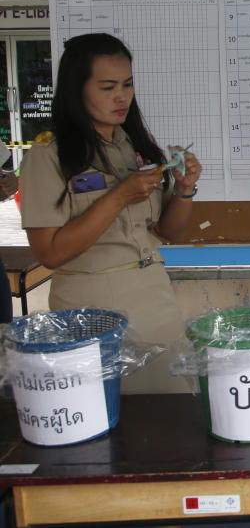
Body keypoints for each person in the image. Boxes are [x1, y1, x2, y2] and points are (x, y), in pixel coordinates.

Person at [19, 33, 203, 394]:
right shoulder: (48, 156)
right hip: (93, 307)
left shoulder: (130, 146)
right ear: (77, 89)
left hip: (154, 295)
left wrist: (184, 190)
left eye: (127, 85)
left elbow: (166, 233)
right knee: (117, 421)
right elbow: (49, 252)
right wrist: (117, 197)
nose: (122, 97)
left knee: (174, 411)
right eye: (107, 87)